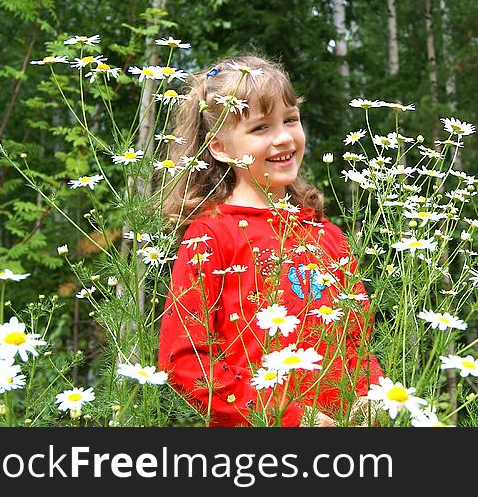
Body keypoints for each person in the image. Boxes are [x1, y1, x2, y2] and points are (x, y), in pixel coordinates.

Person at [157, 53, 382, 427]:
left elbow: (356, 344)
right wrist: (282, 416)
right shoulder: (210, 236)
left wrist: (373, 397)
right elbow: (185, 360)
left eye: (290, 120)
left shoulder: (327, 236)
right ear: (219, 146)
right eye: (260, 128)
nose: (283, 137)